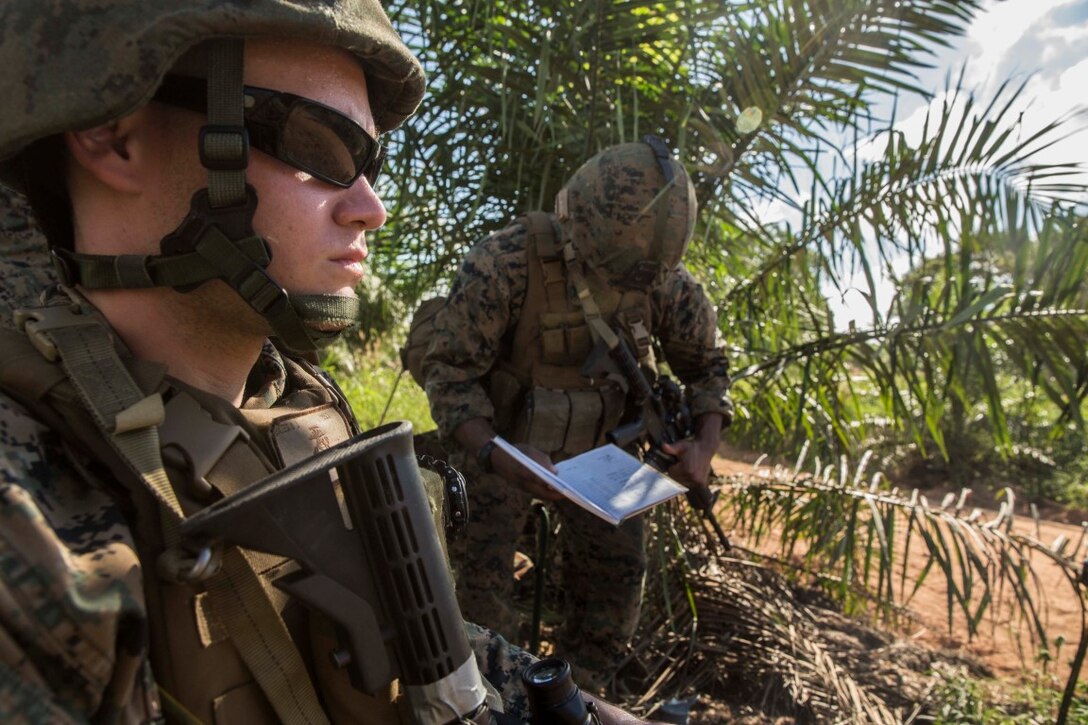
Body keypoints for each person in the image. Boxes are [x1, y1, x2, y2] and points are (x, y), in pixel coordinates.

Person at [0, 2, 649, 722]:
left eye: (371, 162)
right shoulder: (28, 519)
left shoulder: (295, 401)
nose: (370, 207)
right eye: (322, 145)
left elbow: (406, 641)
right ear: (112, 133)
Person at [420, 138, 734, 692]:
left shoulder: (659, 281)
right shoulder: (506, 262)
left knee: (613, 596)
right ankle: (491, 699)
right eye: (615, 272)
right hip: (503, 451)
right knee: (477, 598)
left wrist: (704, 444)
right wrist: (498, 452)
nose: (627, 288)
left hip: (605, 461)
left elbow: (707, 367)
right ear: (580, 223)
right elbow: (450, 375)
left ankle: (578, 698)